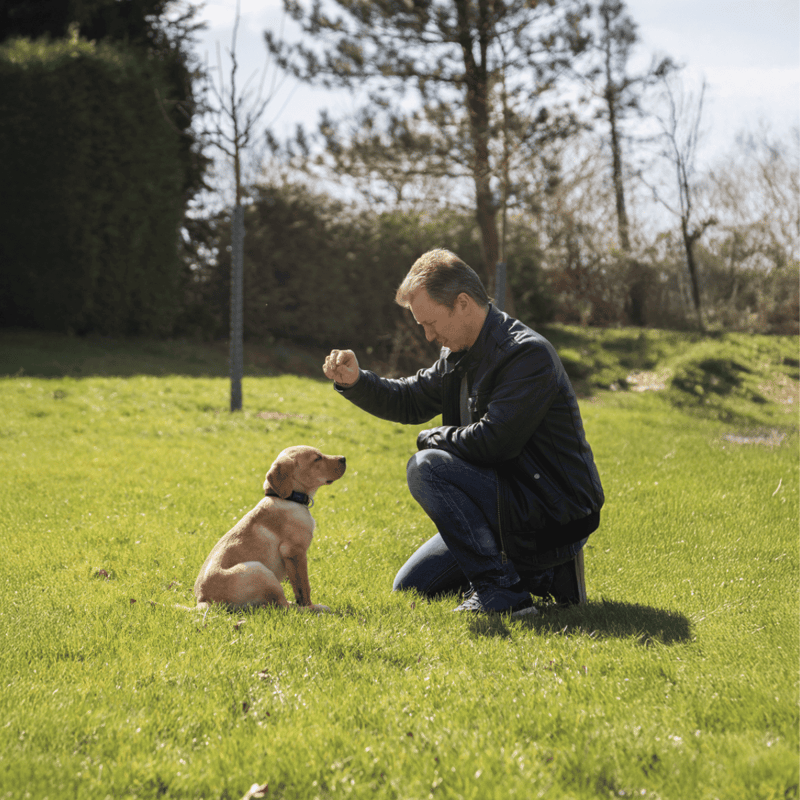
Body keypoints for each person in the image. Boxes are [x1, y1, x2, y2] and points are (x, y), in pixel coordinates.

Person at [322, 249, 604, 617]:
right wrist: (357, 382)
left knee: (427, 467)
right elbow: (410, 400)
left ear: (463, 303)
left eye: (431, 323)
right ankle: (540, 577)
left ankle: (502, 591)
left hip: (550, 512)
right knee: (411, 587)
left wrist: (432, 439)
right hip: (504, 501)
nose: (427, 336)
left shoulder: (526, 355)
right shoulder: (459, 354)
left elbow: (494, 443)